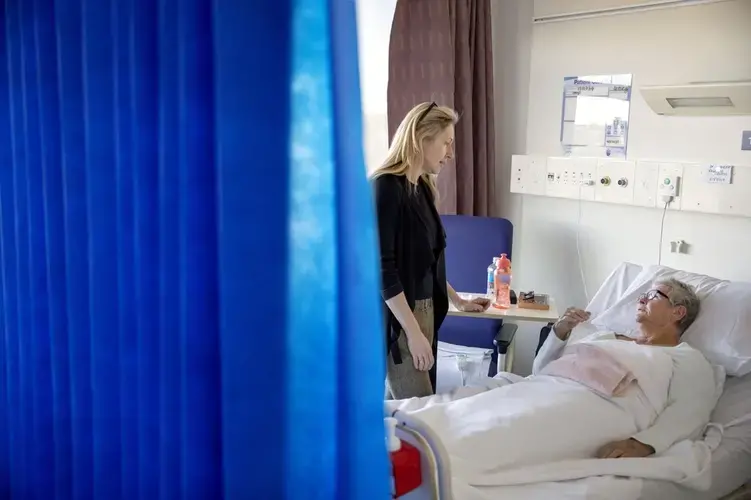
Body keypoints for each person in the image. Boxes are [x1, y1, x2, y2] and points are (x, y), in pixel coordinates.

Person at [385, 278, 719, 469]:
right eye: (642, 294)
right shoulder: (605, 336)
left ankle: (419, 461)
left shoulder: (686, 359)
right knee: (465, 409)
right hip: (545, 388)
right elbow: (542, 371)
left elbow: (691, 411)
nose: (641, 299)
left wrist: (644, 445)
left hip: (594, 407)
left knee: (502, 428)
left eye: (653, 296)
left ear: (678, 312)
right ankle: (399, 436)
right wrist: (560, 331)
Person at [371, 102, 491, 400]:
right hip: (401, 319)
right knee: (421, 415)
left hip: (425, 313)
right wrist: (413, 333)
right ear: (421, 138)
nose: (451, 153)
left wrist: (458, 301)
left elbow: (427, 262)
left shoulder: (422, 188)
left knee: (403, 417)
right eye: (446, 143)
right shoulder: (385, 188)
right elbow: (384, 271)